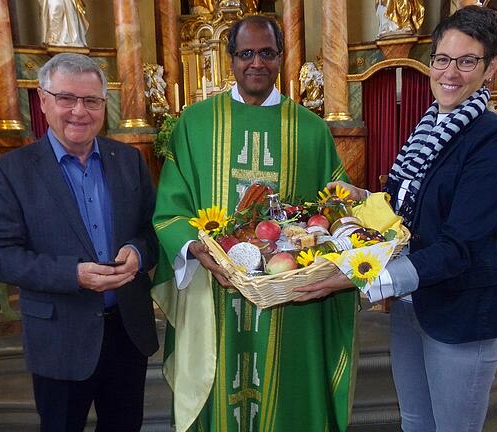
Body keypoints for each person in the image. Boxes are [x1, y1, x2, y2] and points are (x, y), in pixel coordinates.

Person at [300, 6, 497, 431]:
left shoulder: (493, 137)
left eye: (467, 61)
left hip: (461, 310)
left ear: (490, 68)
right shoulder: (430, 126)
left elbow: (461, 244)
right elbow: (408, 212)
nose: (450, 72)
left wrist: (358, 277)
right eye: (442, 59)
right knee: (415, 422)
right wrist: (363, 198)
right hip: (411, 305)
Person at [152, 15, 358, 432]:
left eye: (267, 53)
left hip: (292, 301)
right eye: (246, 53)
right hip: (215, 294)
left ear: (282, 57)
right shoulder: (195, 124)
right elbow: (170, 209)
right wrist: (194, 248)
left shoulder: (312, 130)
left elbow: (338, 213)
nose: (257, 63)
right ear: (230, 60)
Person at [0, 53, 158, 432]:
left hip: (127, 331)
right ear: (43, 101)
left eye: (91, 100)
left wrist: (139, 253)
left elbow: (153, 230)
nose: (79, 111)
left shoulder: (128, 159)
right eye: (66, 98)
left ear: (104, 104)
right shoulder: (11, 171)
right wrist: (72, 274)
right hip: (60, 336)